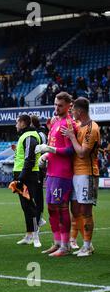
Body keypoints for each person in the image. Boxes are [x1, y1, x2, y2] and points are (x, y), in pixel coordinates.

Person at [36, 92, 77, 256]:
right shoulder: (55, 123)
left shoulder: (69, 124)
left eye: (60, 105)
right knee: (52, 208)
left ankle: (65, 246)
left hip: (63, 173)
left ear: (69, 106)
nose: (56, 108)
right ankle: (57, 242)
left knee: (61, 208)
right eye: (55, 104)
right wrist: (46, 156)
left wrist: (50, 149)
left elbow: (70, 150)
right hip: (52, 172)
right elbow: (54, 145)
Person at [61, 97, 100, 257]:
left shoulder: (92, 128)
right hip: (76, 173)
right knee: (76, 209)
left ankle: (87, 246)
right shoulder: (79, 126)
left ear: (80, 111)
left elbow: (83, 153)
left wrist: (71, 136)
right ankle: (76, 242)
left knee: (86, 210)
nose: (72, 113)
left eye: (73, 110)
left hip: (88, 173)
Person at [11, 114, 42, 248]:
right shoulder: (24, 136)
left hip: (28, 176)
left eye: (17, 122)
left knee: (30, 206)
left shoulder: (30, 136)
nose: (16, 125)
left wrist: (21, 178)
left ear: (23, 123)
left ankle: (36, 236)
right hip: (22, 174)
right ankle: (29, 235)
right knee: (25, 206)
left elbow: (29, 159)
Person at [31, 115, 47, 226]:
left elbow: (43, 149)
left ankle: (39, 217)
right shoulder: (35, 133)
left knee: (37, 194)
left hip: (38, 168)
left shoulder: (40, 134)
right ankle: (37, 216)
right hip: (33, 167)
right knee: (33, 194)